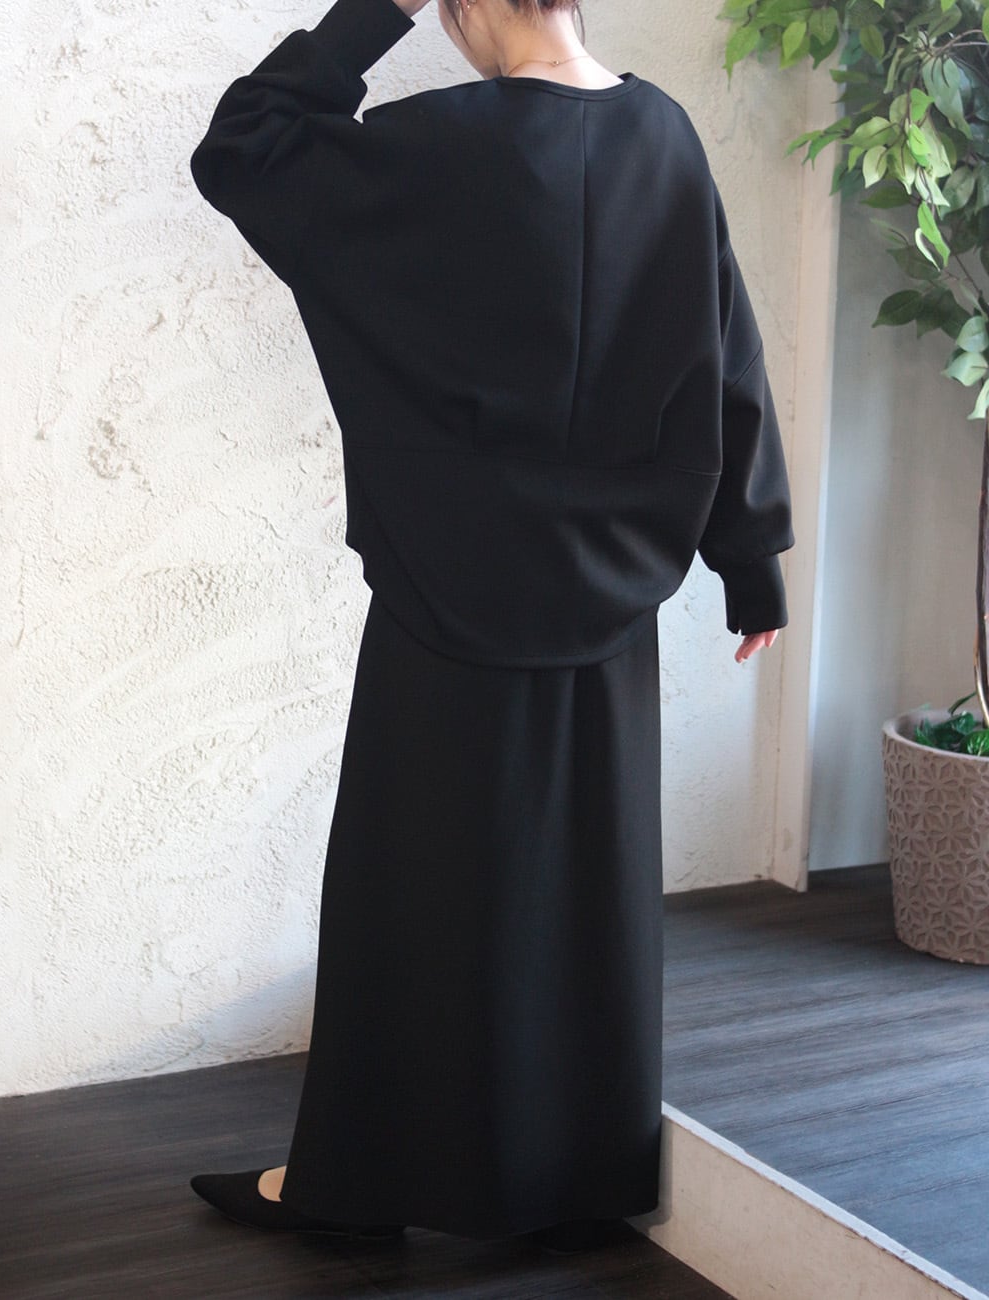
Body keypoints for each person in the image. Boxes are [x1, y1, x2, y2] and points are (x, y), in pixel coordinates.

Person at [187, 0, 793, 1256]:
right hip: (607, 597)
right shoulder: (663, 139)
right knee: (585, 892)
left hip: (446, 588)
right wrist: (749, 558)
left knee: (410, 892)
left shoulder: (436, 148)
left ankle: (350, 1192)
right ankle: (575, 1183)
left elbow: (243, 147)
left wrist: (374, 13)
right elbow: (723, 347)